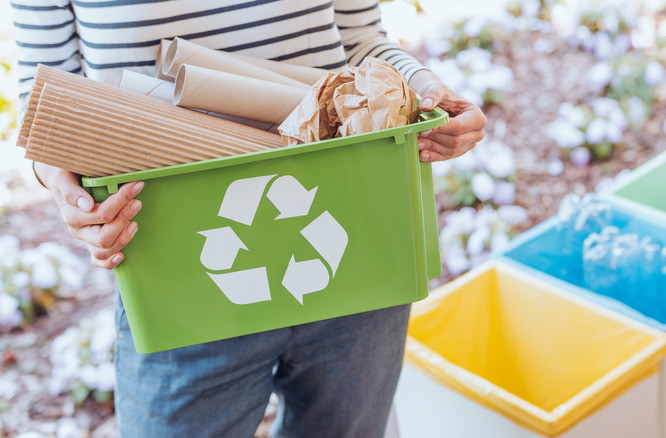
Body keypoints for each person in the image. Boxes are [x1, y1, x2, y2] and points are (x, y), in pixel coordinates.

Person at [12, 1, 486, 436]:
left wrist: (428, 93)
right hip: (175, 265)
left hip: (351, 234)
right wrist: (65, 190)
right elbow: (46, 94)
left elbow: (360, 36)